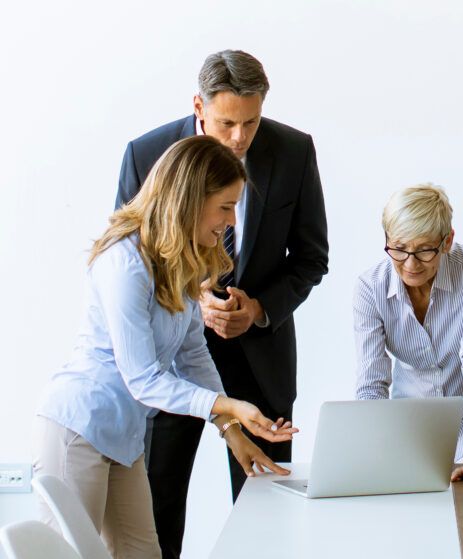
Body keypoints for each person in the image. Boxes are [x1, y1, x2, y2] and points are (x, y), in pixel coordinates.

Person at [35, 136, 296, 558]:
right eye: (225, 206)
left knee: (144, 554)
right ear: (191, 199)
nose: (231, 220)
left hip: (124, 437)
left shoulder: (179, 261)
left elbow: (192, 354)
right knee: (73, 554)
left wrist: (231, 430)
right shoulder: (124, 263)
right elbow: (143, 379)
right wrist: (228, 406)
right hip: (79, 427)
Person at [116, 50, 329, 558]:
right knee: (159, 506)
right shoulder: (147, 154)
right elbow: (128, 258)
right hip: (171, 361)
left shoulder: (293, 151)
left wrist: (257, 309)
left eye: (250, 123)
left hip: (261, 360)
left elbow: (311, 258)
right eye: (226, 123)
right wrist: (194, 299)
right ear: (199, 106)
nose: (238, 138)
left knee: (269, 507)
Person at [353, 184, 463, 485]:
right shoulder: (369, 288)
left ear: (447, 241)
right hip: (412, 417)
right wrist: (371, 457)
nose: (411, 264)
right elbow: (372, 384)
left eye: (424, 250)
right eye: (399, 248)